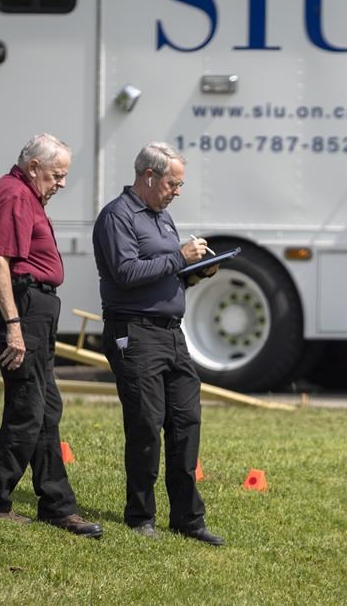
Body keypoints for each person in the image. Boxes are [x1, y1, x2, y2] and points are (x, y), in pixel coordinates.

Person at [0, 133, 103, 539]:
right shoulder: (14, 196)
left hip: (33, 308)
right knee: (29, 408)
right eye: (57, 175)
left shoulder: (22, 194)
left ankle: (57, 506)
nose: (61, 183)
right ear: (33, 168)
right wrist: (13, 326)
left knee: (45, 408)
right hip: (22, 309)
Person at [92, 141, 223, 545]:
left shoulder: (163, 218)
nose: (177, 191)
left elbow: (167, 273)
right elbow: (127, 272)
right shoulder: (117, 216)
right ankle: (140, 516)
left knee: (185, 421)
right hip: (134, 331)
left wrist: (197, 271)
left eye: (180, 184)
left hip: (171, 333)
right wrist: (181, 259)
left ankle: (187, 518)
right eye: (173, 182)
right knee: (146, 424)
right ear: (148, 176)